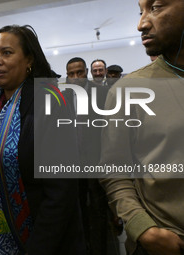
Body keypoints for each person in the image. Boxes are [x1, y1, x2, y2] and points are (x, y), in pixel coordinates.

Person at [0, 25, 85, 255]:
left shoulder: (51, 103)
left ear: (29, 60)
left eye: (7, 52)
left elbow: (61, 193)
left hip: (42, 239)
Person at [100, 0, 184, 254]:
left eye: (156, 7)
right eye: (141, 11)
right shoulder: (130, 89)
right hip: (167, 243)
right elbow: (113, 169)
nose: (142, 24)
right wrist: (143, 228)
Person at [65, 57, 115, 255]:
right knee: (77, 209)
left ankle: (100, 249)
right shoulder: (63, 97)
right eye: (71, 74)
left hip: (96, 161)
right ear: (67, 76)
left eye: (79, 72)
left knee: (97, 208)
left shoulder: (102, 93)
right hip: (73, 164)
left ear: (86, 72)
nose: (76, 77)